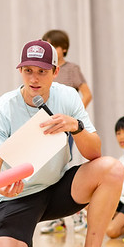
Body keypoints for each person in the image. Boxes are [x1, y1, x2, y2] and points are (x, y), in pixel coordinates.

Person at [0, 39, 124, 247]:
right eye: (28, 71)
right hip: (18, 196)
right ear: (20, 71)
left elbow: (94, 154)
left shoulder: (68, 96)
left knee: (112, 168)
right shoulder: (2, 109)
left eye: (42, 71)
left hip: (57, 189)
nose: (34, 79)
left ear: (55, 72)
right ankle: (23, 245)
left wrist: (76, 127)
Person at [39, 29, 93, 234]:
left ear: (63, 49)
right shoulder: (42, 68)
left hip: (65, 128)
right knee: (49, 169)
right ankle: (58, 218)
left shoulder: (72, 69)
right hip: (45, 126)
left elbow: (87, 94)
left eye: (51, 45)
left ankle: (78, 213)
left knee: (63, 167)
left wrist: (75, 118)